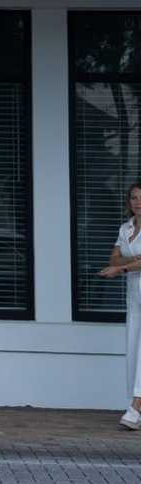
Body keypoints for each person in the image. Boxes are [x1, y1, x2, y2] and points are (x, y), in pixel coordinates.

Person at [97, 181, 141, 430]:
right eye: (134, 197)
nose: (138, 202)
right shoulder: (125, 228)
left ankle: (135, 408)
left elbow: (117, 264)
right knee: (133, 350)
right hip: (134, 297)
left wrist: (123, 267)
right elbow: (113, 258)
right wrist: (131, 260)